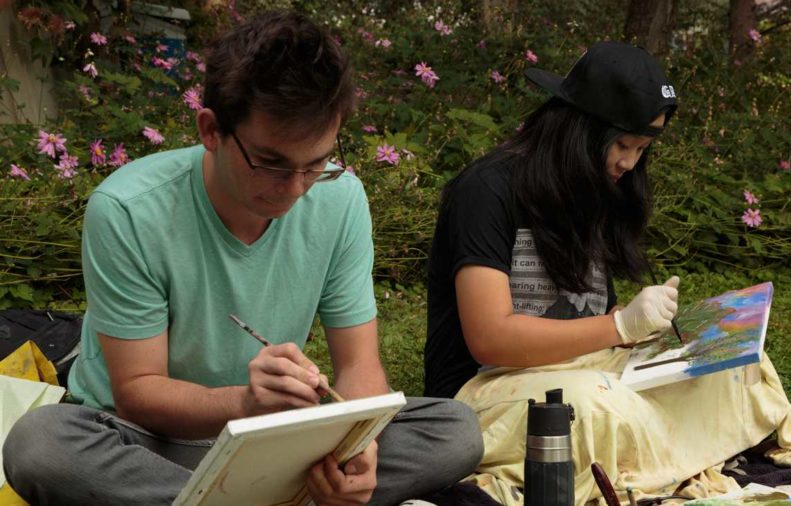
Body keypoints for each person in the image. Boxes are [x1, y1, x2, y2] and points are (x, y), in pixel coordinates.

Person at [3, 11, 482, 506]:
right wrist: (247, 402)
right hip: (149, 444)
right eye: (271, 163)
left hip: (276, 445)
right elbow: (138, 393)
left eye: (316, 164)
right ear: (211, 129)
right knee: (41, 444)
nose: (295, 189)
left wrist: (358, 448)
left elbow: (360, 365)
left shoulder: (342, 199)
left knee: (456, 429)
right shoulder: (128, 209)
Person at [425, 41, 791, 505]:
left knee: (736, 364)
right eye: (621, 144)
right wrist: (617, 326)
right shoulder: (487, 190)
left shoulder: (596, 186)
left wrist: (649, 333)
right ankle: (680, 453)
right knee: (591, 405)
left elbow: (589, 326)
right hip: (483, 391)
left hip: (585, 370)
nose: (628, 162)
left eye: (641, 149)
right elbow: (489, 338)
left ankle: (661, 452)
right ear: (577, 128)